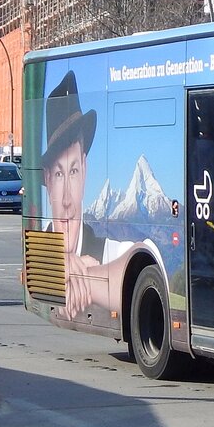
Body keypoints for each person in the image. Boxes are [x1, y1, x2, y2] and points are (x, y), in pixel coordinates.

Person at [42, 70, 151, 320]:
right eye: (58, 175)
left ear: (85, 171)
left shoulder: (110, 249)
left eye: (73, 171)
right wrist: (58, 266)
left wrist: (87, 281)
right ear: (47, 179)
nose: (67, 199)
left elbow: (147, 255)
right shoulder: (42, 250)